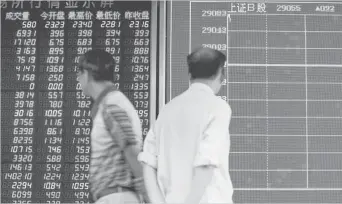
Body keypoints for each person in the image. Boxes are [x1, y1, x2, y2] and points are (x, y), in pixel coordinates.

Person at [138, 47, 234, 203]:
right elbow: (206, 163)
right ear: (220, 74)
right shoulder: (218, 108)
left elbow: (148, 164)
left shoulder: (167, 110)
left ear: (190, 75)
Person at [76, 49, 149, 204]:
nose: (78, 78)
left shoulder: (112, 104)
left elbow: (131, 151)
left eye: (79, 73)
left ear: (87, 74)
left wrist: (149, 197)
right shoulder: (110, 103)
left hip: (117, 197)